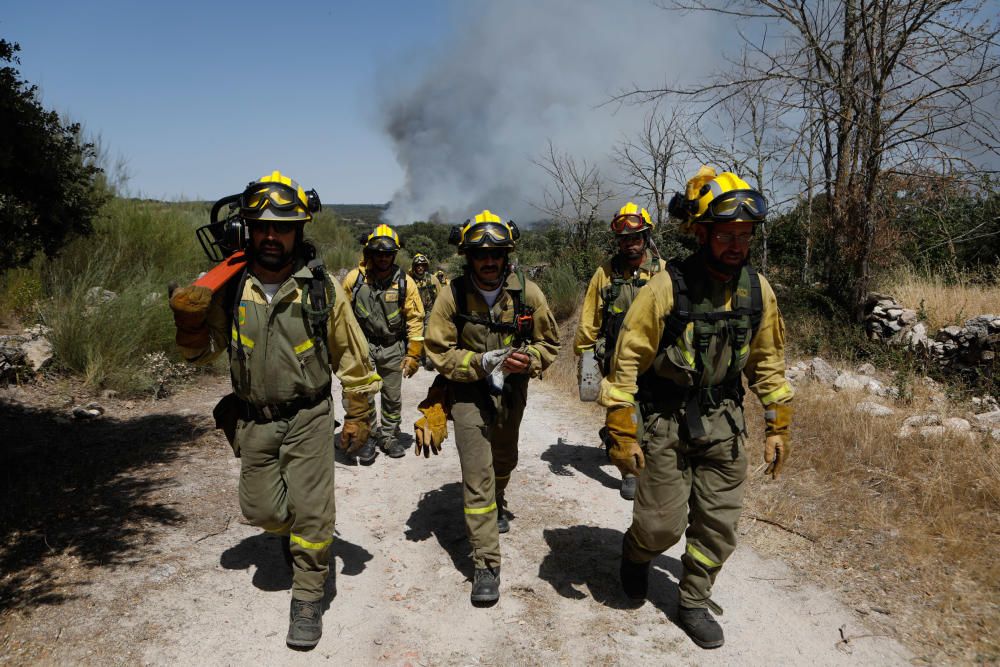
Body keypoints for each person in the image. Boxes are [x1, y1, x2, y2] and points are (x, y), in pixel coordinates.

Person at [168, 171, 381, 649]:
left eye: (281, 227)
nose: (270, 235)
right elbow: (206, 353)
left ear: (297, 232)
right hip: (253, 419)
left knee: (312, 513)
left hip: (308, 416)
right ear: (248, 227)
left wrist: (359, 412)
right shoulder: (230, 286)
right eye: (261, 225)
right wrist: (190, 330)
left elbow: (352, 356)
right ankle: (291, 535)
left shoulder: (321, 288)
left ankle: (308, 597)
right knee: (261, 510)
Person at [600, 168, 793, 649]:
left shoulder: (757, 290)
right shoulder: (666, 288)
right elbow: (627, 359)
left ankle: (693, 601)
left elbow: (769, 361)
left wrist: (777, 421)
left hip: (724, 423)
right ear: (701, 233)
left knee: (719, 525)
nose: (736, 245)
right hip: (665, 422)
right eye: (726, 234)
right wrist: (621, 425)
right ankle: (637, 552)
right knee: (660, 525)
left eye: (744, 236)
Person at [412, 210, 560, 605]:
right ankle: (486, 564)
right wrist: (476, 364)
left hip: (512, 391)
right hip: (466, 393)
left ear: (507, 255)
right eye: (480, 255)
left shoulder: (528, 294)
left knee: (503, 460)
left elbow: (550, 345)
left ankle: (499, 498)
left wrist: (528, 360)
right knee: (476, 476)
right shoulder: (453, 294)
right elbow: (438, 351)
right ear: (468, 257)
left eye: (496, 254)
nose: (489, 261)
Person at [574, 202, 662, 500]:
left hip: (655, 358)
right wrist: (586, 356)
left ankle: (622, 441)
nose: (630, 244)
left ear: (646, 237)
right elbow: (590, 318)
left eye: (636, 238)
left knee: (653, 415)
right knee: (624, 410)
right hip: (614, 358)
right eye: (624, 239)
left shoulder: (663, 272)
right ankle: (630, 473)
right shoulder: (605, 274)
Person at [343, 224, 425, 461]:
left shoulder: (405, 283)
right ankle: (366, 438)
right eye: (378, 253)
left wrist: (413, 354)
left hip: (392, 347)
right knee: (364, 396)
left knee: (392, 396)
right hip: (363, 346)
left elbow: (415, 320)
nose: (383, 258)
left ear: (394, 254)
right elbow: (340, 316)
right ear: (369, 253)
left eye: (388, 253)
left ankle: (388, 436)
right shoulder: (354, 279)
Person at [408, 253, 443, 369]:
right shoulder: (408, 279)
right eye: (417, 265)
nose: (420, 267)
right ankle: (415, 357)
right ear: (414, 266)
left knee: (429, 333)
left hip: (429, 311)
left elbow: (440, 296)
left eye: (422, 265)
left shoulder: (433, 279)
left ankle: (428, 358)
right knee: (415, 334)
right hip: (414, 312)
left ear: (426, 266)